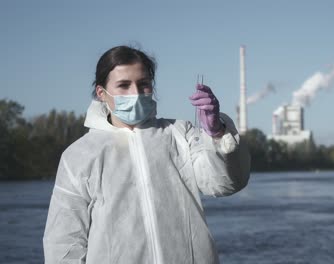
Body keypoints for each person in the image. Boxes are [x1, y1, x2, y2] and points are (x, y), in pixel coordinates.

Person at [43, 45, 251, 263]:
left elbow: (226, 184)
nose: (135, 93)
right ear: (101, 93)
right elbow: (64, 241)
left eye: (143, 84)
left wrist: (217, 133)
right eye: (123, 85)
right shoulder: (79, 155)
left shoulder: (180, 133)